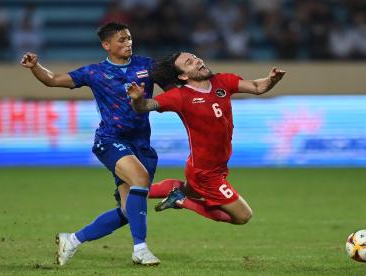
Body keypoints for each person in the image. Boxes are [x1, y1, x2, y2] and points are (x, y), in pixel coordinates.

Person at [20, 22, 160, 266]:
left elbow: (176, 87)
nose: (128, 43)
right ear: (106, 45)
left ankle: (72, 240)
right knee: (140, 179)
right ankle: (140, 249)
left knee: (130, 211)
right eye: (121, 40)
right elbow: (53, 80)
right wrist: (35, 67)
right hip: (110, 140)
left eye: (129, 39)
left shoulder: (147, 65)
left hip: (141, 144)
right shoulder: (94, 72)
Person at [127, 52, 285, 224]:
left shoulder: (222, 81)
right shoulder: (179, 97)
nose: (197, 61)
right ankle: (180, 200)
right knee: (242, 216)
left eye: (195, 57)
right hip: (205, 173)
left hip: (214, 165)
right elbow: (145, 106)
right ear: (183, 75)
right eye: (189, 62)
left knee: (189, 189)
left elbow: (256, 87)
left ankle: (135, 191)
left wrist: (271, 80)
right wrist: (137, 99)